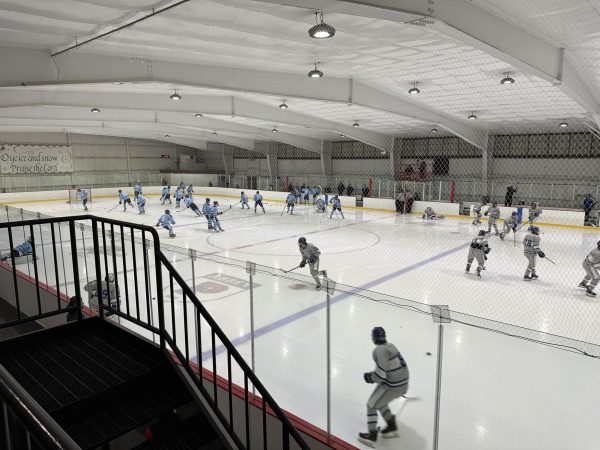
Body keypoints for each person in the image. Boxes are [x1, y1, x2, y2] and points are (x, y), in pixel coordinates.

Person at [358, 326, 408, 447]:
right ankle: (391, 426)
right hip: (403, 384)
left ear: (373, 338)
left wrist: (370, 377)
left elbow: (380, 375)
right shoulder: (391, 346)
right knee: (380, 403)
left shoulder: (379, 350)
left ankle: (372, 436)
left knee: (371, 405)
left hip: (392, 385)